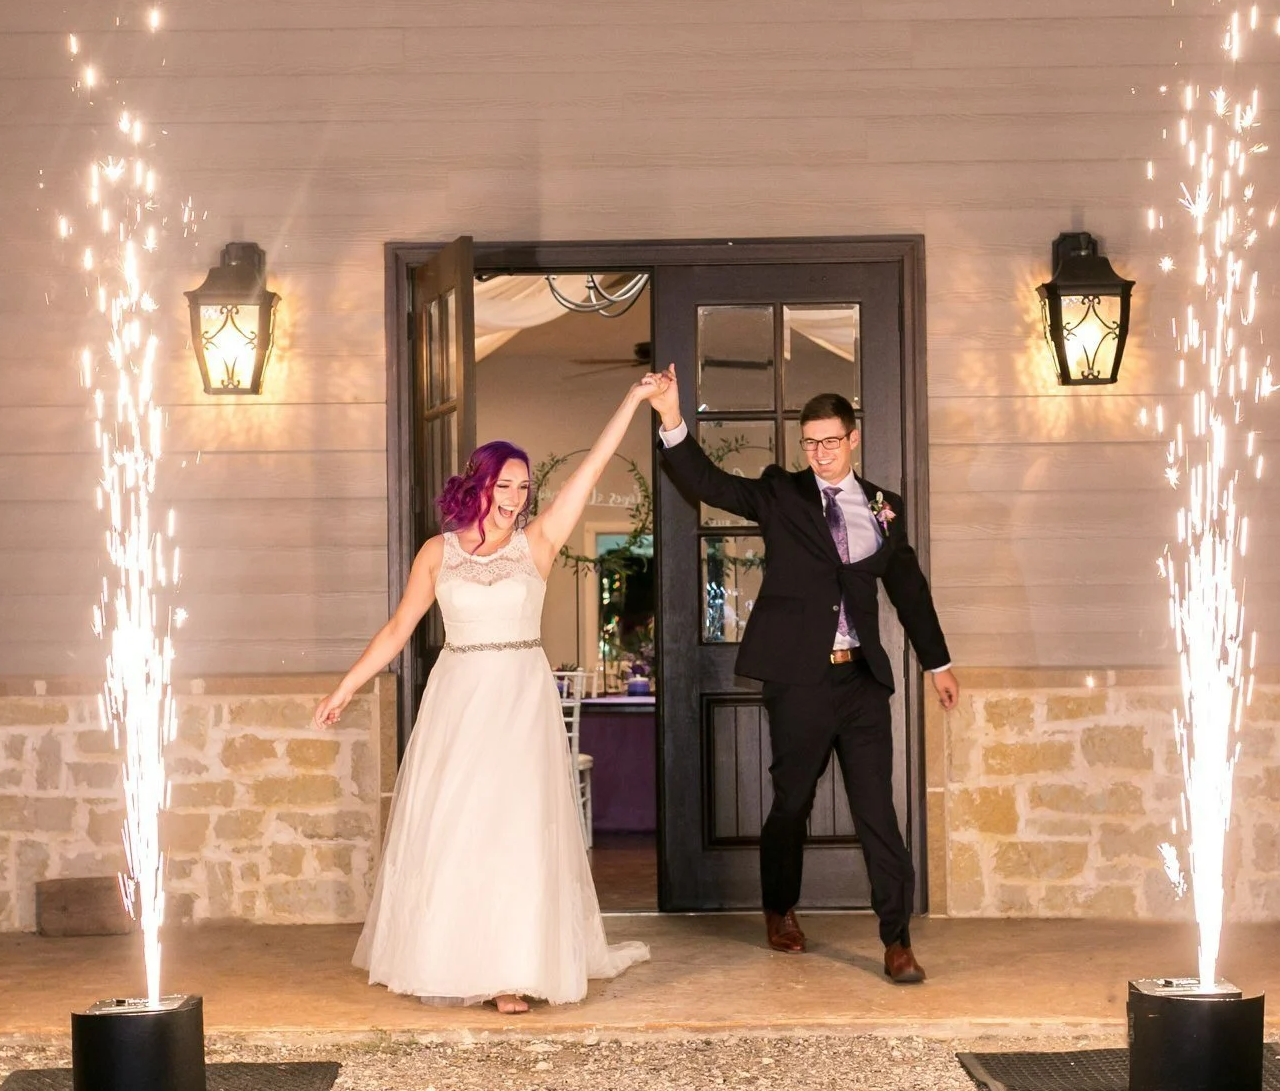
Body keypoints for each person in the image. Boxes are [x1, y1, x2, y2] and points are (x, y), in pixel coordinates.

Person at [315, 376, 662, 1013]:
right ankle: (453, 957)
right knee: (460, 825)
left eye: (524, 486)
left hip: (521, 697)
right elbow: (398, 629)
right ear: (478, 484)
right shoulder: (437, 553)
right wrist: (346, 686)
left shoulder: (540, 543)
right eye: (505, 484)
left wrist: (633, 402)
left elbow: (592, 468)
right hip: (460, 698)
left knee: (518, 829)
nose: (516, 496)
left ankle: (510, 972)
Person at [649, 372, 958, 983]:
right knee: (793, 802)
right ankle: (779, 906)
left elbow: (909, 591)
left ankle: (896, 940)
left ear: (854, 439)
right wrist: (671, 417)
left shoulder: (882, 507)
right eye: (810, 443)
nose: (819, 454)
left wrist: (938, 662)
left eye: (830, 443)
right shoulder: (781, 493)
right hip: (799, 682)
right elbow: (707, 482)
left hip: (862, 681)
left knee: (878, 810)